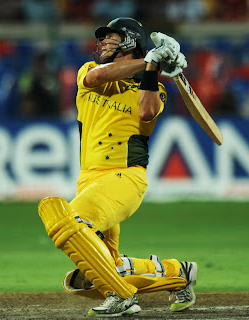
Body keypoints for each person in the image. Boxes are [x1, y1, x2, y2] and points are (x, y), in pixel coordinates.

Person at [38, 17, 198, 317]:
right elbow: (99, 77)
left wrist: (152, 68)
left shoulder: (155, 89)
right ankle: (178, 274)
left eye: (112, 38)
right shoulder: (90, 71)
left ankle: (122, 297)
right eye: (104, 39)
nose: (104, 44)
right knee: (89, 279)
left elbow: (147, 111)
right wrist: (150, 60)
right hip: (88, 180)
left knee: (60, 216)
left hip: (125, 178)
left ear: (130, 42)